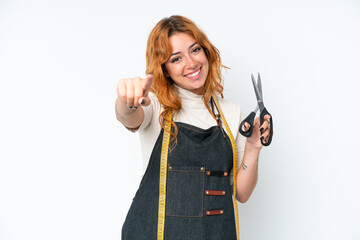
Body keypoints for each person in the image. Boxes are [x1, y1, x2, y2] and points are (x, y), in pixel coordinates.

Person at [115, 15, 272, 240]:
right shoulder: (156, 104)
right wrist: (126, 100)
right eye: (176, 58)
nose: (191, 63)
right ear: (165, 69)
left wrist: (254, 148)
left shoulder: (230, 112)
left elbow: (242, 193)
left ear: (206, 51)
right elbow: (128, 117)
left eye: (195, 50)